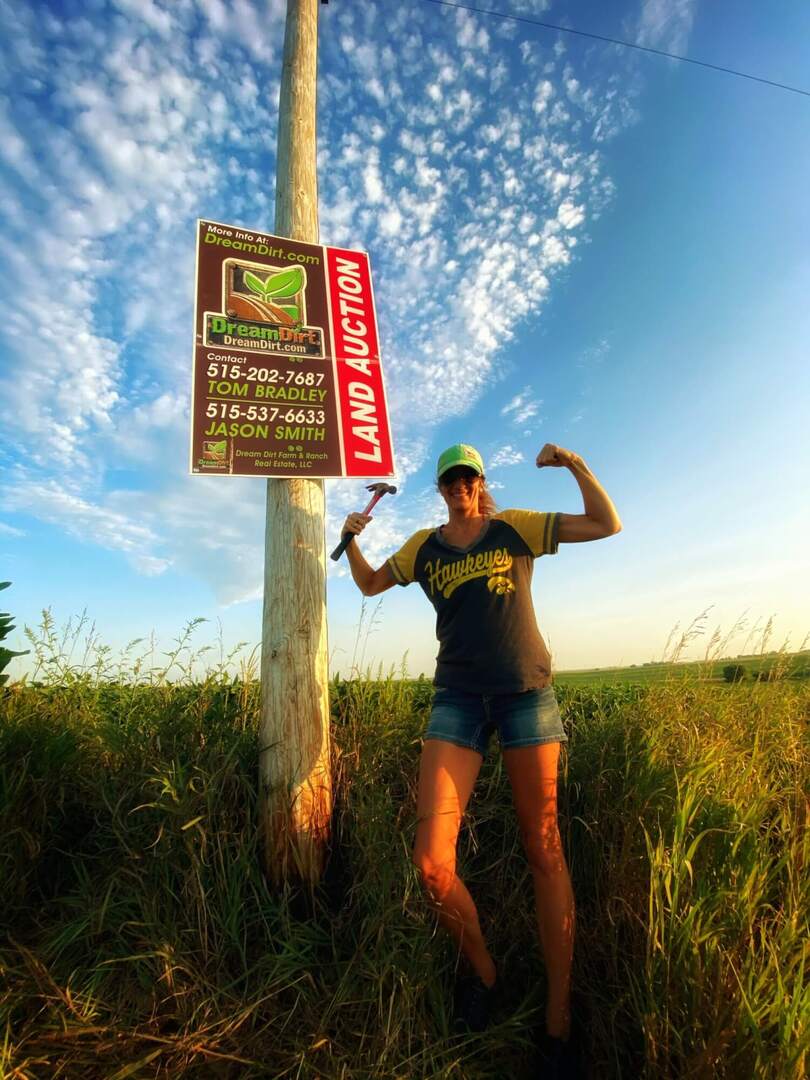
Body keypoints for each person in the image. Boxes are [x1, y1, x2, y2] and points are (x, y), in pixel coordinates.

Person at [341, 442, 621, 1070]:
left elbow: (607, 524)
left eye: (469, 476)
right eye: (450, 479)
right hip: (457, 700)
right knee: (431, 864)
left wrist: (577, 465)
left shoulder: (513, 528)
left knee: (543, 846)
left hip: (526, 694)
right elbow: (366, 585)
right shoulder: (423, 546)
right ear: (441, 488)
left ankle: (558, 1020)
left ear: (481, 482)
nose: (460, 485)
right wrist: (352, 536)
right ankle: (486, 974)